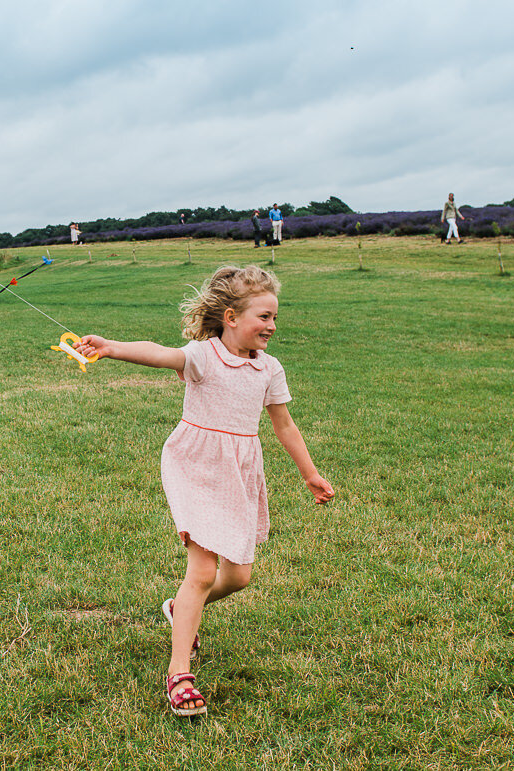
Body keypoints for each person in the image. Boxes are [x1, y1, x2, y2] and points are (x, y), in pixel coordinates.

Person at [76, 266, 334, 718]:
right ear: (231, 316)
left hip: (239, 470)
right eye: (265, 316)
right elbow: (160, 354)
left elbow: (285, 425)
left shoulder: (269, 369)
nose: (272, 326)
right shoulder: (203, 356)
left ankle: (180, 610)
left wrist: (309, 473)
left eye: (275, 318)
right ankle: (179, 672)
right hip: (195, 463)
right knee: (201, 570)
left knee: (237, 577)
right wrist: (111, 348)